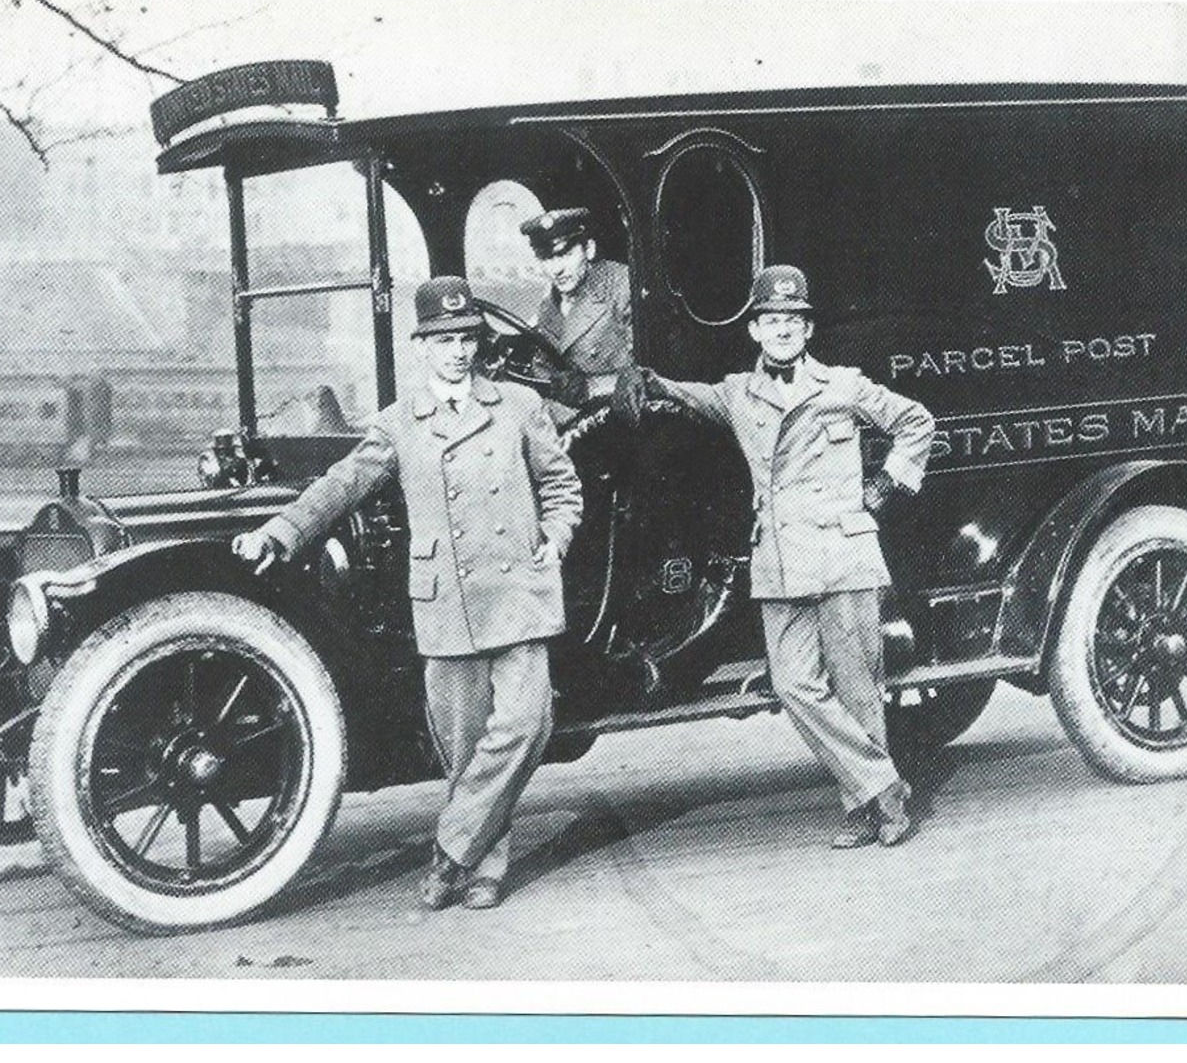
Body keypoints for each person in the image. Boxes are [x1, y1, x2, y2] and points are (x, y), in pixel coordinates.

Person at [232, 276, 582, 909]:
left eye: (466, 338)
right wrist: (280, 532)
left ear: (478, 343)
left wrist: (555, 536)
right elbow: (342, 486)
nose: (457, 350)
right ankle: (482, 870)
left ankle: (450, 849)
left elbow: (561, 484)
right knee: (464, 747)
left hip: (517, 590)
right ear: (422, 346)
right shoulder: (399, 423)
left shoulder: (519, 406)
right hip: (446, 596)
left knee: (530, 725)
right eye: (443, 340)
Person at [615, 264, 934, 847]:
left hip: (842, 552)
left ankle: (870, 812)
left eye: (793, 321)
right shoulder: (739, 393)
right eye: (771, 321)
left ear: (807, 330)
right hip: (782, 561)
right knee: (793, 685)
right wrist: (645, 378)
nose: (782, 330)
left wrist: (887, 486)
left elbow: (916, 421)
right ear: (756, 331)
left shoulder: (842, 385)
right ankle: (883, 784)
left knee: (858, 688)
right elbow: (683, 395)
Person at [519, 207, 634, 408]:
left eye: (565, 254)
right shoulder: (548, 308)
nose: (556, 269)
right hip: (575, 420)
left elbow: (648, 375)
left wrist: (590, 387)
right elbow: (544, 374)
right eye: (546, 258)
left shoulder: (623, 287)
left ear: (589, 249)